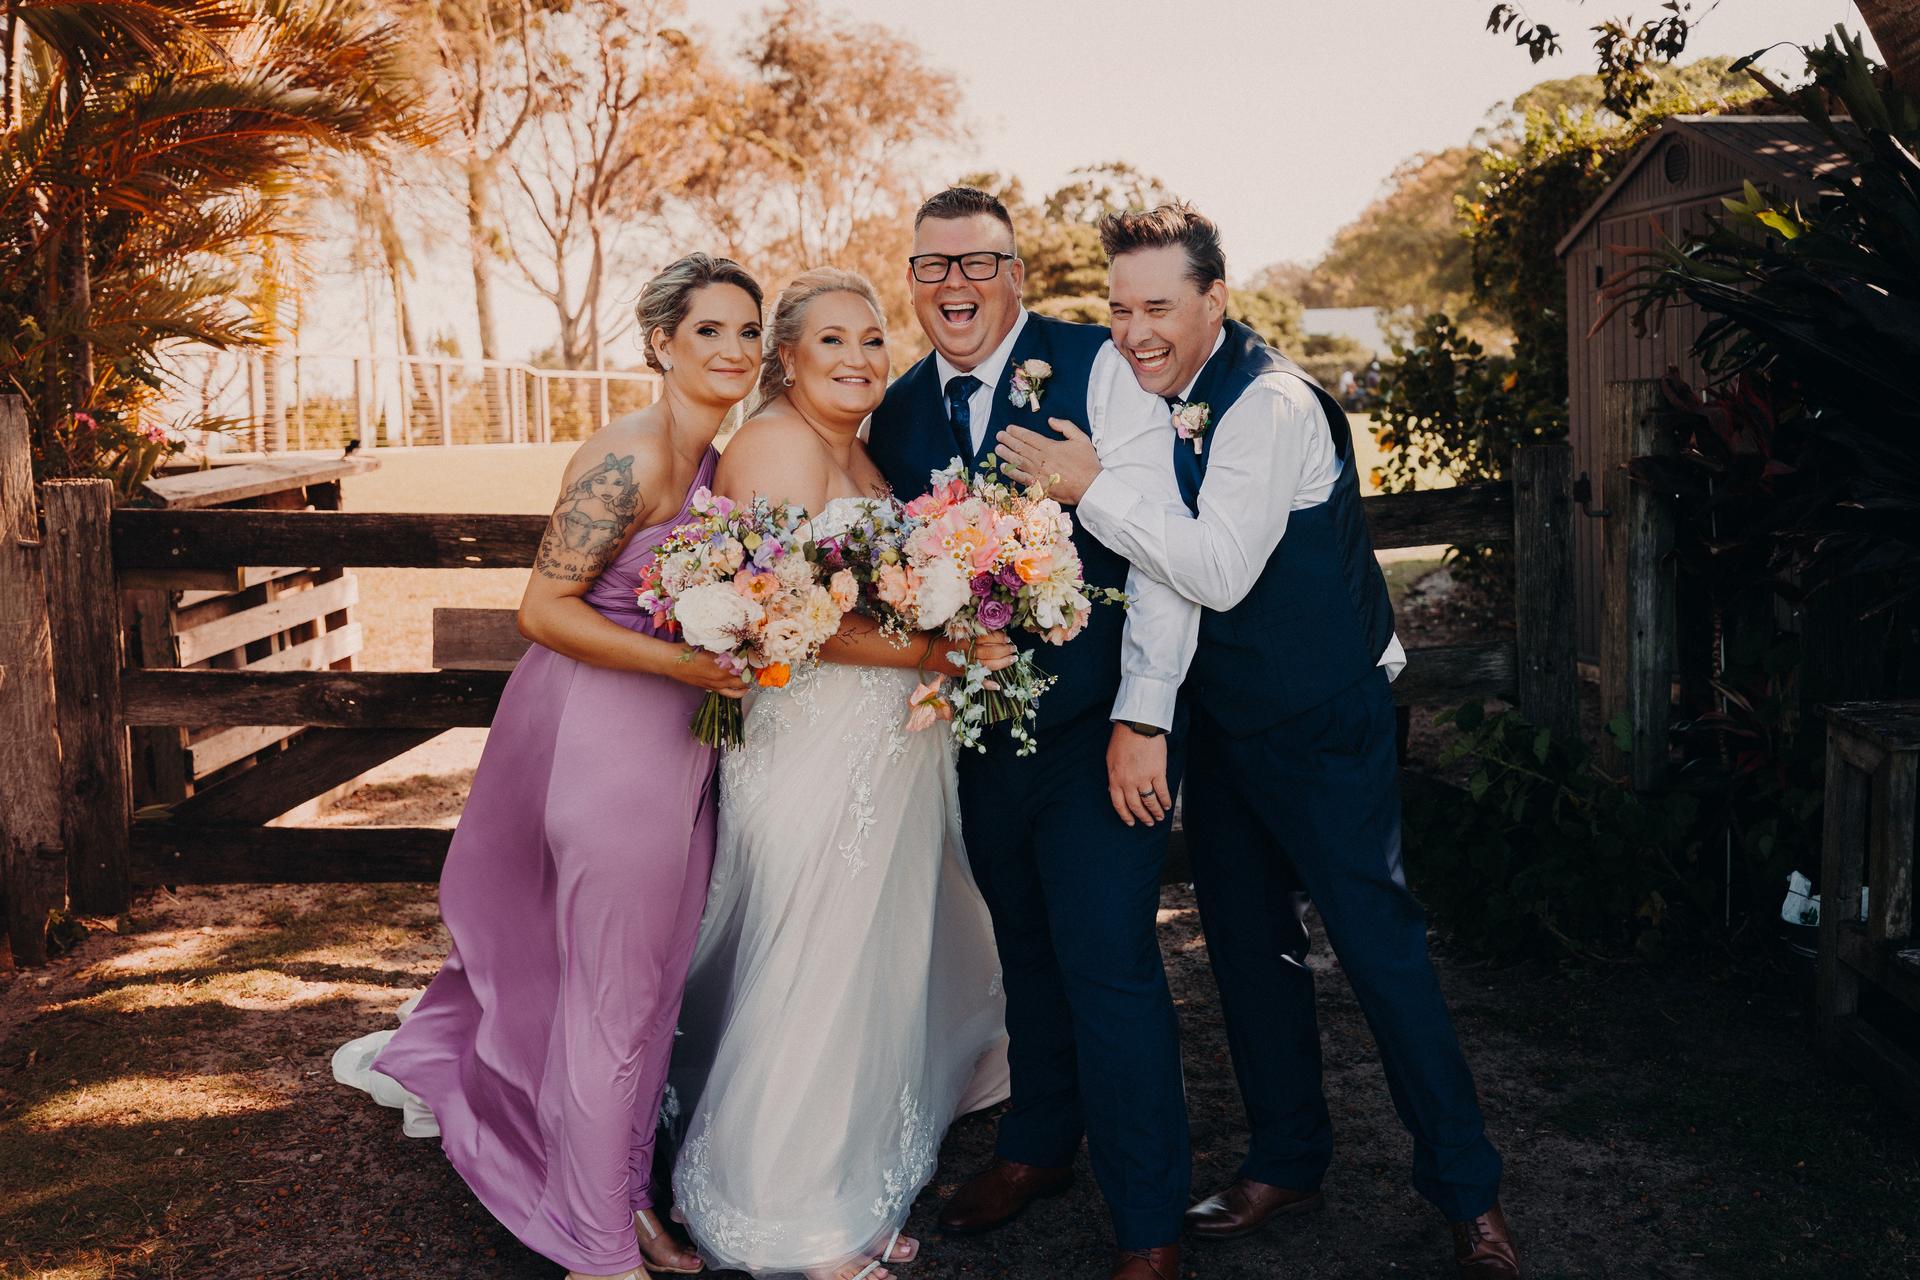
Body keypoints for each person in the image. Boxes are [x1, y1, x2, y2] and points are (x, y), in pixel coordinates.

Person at [994, 203, 1524, 1280]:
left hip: (1327, 721)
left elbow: (1220, 568)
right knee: (1246, 952)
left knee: (1380, 953)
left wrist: (1093, 488)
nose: (1133, 330)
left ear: (1214, 300)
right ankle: (1288, 1155)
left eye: (1159, 307)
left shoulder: (1272, 402)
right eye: (1119, 306)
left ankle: (1470, 1193)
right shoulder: (1157, 395)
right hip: (1228, 727)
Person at [332, 253, 763, 1280]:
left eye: (749, 331)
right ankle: (597, 1248)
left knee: (652, 988)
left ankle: (627, 1199)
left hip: (680, 740)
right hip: (603, 736)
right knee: (611, 996)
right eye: (710, 329)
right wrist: (688, 660)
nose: (734, 350)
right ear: (662, 341)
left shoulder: (724, 459)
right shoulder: (626, 457)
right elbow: (543, 609)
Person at [866, 188, 1199, 1280]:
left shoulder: (1095, 363)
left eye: (977, 262)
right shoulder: (902, 410)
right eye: (931, 266)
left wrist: (1143, 715)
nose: (953, 285)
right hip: (979, 739)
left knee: (1108, 959)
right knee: (1026, 952)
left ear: (1016, 271)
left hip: (1101, 732)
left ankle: (1149, 1216)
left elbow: (1162, 550)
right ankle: (1039, 1142)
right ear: (911, 279)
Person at [664, 268, 1014, 1280]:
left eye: (872, 340)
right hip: (810, 743)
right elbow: (783, 616)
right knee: (810, 957)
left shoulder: (853, 446)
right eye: (834, 342)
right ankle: (787, 1215)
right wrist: (931, 652)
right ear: (787, 357)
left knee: (867, 961)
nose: (861, 357)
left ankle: (843, 1177)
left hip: (887, 748)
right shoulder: (774, 440)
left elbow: (874, 590)